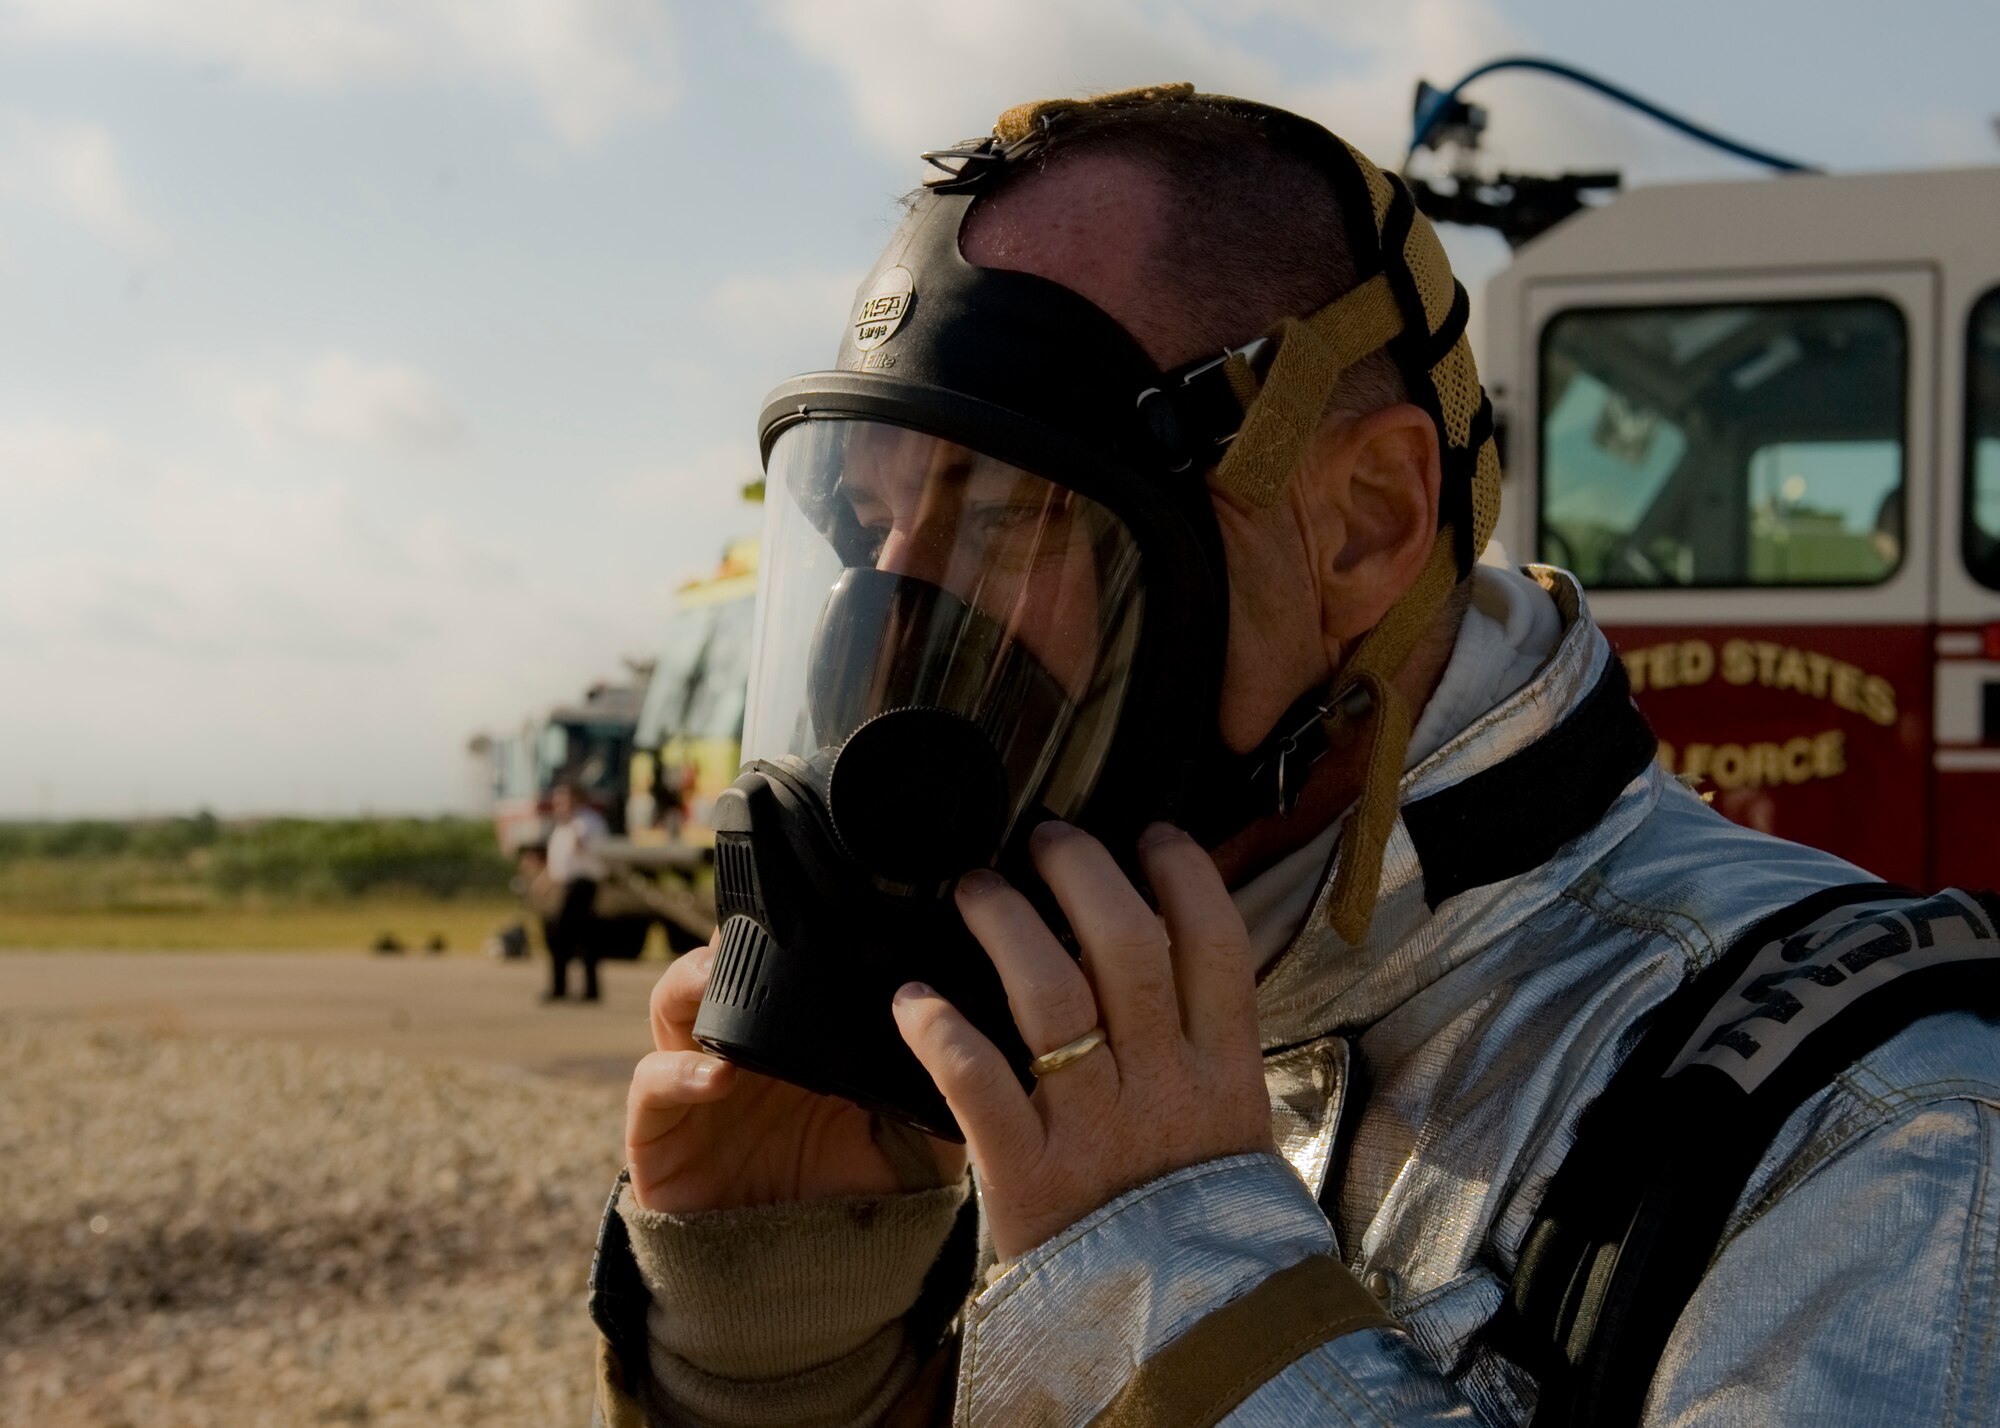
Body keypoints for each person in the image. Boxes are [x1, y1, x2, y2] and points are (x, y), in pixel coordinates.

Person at [590, 87, 2000, 1427]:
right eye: (870, 530)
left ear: (1366, 521)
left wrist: (1163, 1286)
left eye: (1006, 514)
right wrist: (781, 1342)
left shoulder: (1889, 1143)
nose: (891, 634)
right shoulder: (1013, 1060)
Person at [543, 781, 608, 1003]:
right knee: (583, 936)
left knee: (561, 933)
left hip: (582, 884)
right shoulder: (563, 826)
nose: (559, 804)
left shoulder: (586, 821)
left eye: (564, 799)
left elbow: (584, 850)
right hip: (566, 884)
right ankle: (585, 989)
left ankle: (561, 988)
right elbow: (558, 862)